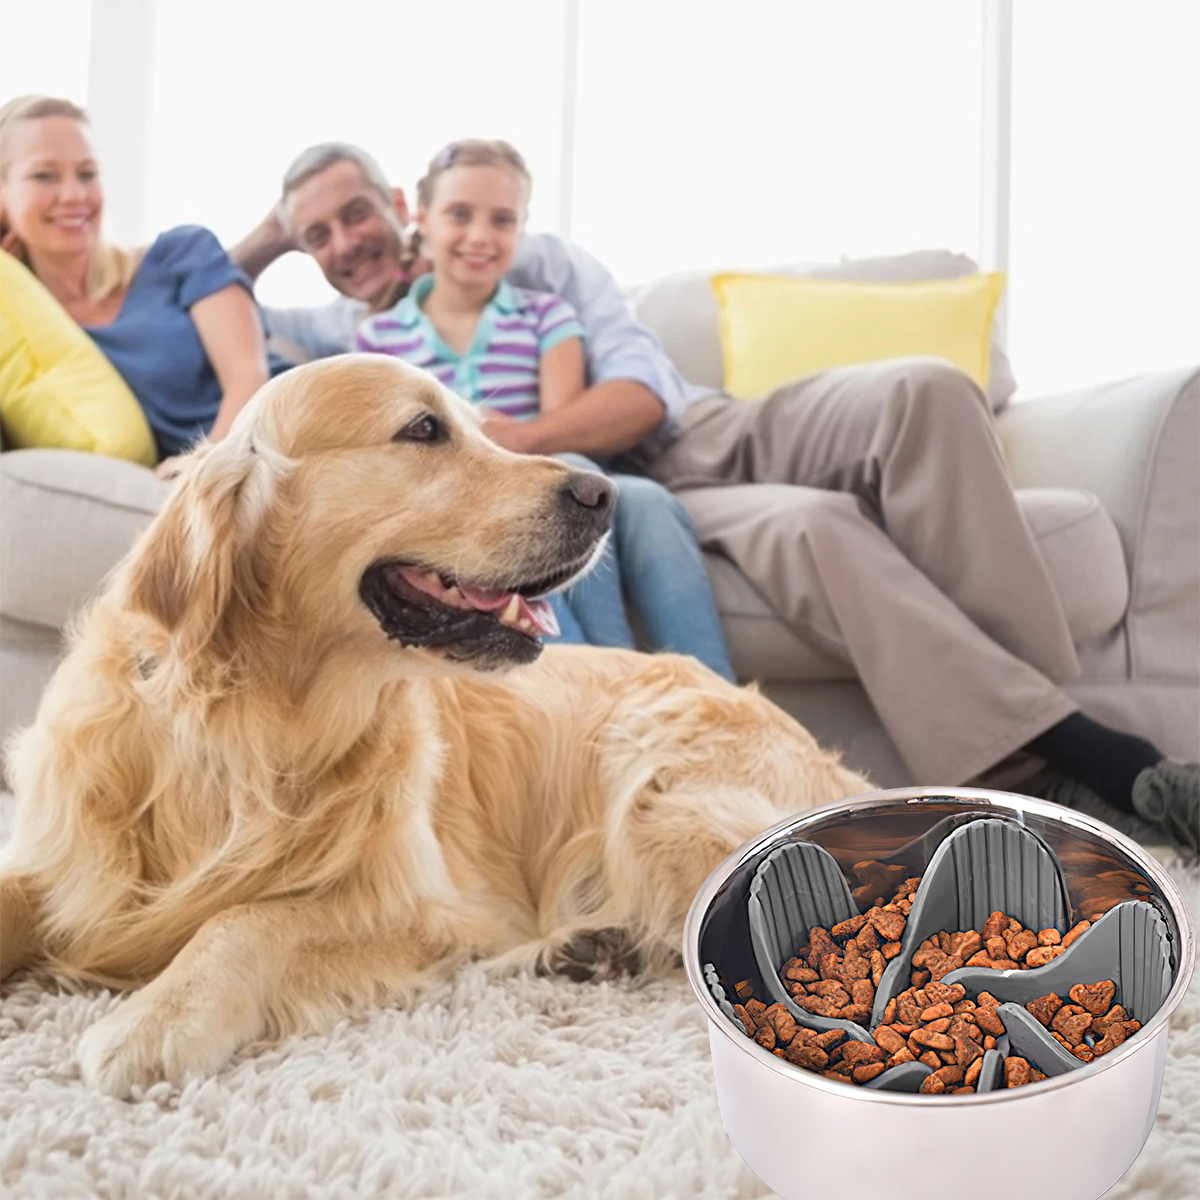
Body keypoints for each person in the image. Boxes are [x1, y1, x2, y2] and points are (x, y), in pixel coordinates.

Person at [231, 142, 1199, 854]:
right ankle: (1083, 765)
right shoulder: (346, 337)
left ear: (402, 204)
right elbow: (197, 305)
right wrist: (269, 234)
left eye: (354, 212)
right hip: (642, 497)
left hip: (696, 432)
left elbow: (642, 392)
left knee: (927, 388)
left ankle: (1045, 736)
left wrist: (497, 443)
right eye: (315, 233)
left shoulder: (535, 271)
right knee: (817, 527)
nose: (343, 241)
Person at [0, 96, 267, 475]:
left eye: (87, 173)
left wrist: (206, 462)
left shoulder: (181, 252)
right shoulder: (35, 340)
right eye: (45, 175)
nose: (75, 195)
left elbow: (249, 374)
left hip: (280, 438)